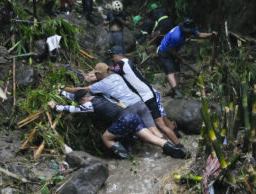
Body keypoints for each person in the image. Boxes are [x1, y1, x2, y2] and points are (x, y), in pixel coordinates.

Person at [48, 89, 188, 159]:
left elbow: (73, 109)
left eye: (80, 101)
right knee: (150, 138)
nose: (80, 103)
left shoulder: (88, 104)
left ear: (84, 100)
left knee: (106, 138)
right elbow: (75, 97)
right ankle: (176, 151)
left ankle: (125, 157)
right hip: (132, 115)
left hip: (123, 119)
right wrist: (61, 92)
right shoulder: (97, 96)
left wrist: (56, 107)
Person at [64, 63, 164, 139]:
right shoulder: (117, 76)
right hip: (140, 103)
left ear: (98, 74)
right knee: (153, 129)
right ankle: (166, 144)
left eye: (95, 73)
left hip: (129, 108)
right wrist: (93, 77)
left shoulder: (100, 85)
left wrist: (65, 88)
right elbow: (104, 77)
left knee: (141, 132)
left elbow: (81, 90)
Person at [109, 45, 183, 147]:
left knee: (160, 124)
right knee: (160, 121)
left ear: (119, 55)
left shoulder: (122, 63)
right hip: (148, 94)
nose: (111, 58)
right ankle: (177, 143)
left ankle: (178, 146)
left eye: (112, 56)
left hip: (146, 96)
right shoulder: (126, 62)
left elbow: (110, 74)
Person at [157, 18, 217, 98]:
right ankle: (177, 92)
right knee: (171, 72)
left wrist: (210, 34)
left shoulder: (189, 28)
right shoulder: (176, 36)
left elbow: (199, 34)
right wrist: (181, 59)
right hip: (164, 51)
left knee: (177, 71)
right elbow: (172, 50)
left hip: (173, 51)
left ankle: (175, 91)